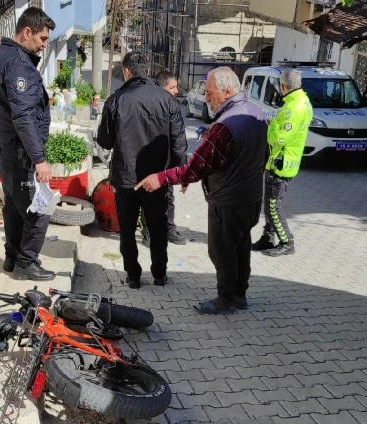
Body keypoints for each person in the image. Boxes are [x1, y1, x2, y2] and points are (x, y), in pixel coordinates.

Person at [135, 66, 266, 314]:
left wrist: (161, 178)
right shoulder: (255, 113)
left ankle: (226, 298)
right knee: (241, 245)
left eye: (210, 92)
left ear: (227, 91)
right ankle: (240, 295)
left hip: (228, 198)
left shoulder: (227, 125)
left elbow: (193, 169)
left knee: (223, 250)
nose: (206, 98)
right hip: (250, 195)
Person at [97, 52, 187, 289]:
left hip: (125, 178)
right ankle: (159, 274)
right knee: (158, 226)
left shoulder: (115, 100)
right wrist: (181, 173)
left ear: (127, 71)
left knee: (127, 229)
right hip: (157, 178)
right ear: (145, 70)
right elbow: (179, 141)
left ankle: (133, 277)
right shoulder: (167, 100)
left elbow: (104, 141)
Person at [0, 7, 56, 281]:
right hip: (20, 151)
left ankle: (12, 257)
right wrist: (39, 159)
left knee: (14, 205)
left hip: (6, 147)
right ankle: (26, 262)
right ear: (27, 32)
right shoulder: (18, 66)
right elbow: (24, 116)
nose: (45, 44)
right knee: (41, 207)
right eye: (42, 38)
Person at [251, 69, 313, 257]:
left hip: (281, 162)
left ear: (284, 86)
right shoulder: (301, 101)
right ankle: (268, 237)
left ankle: (287, 241)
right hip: (285, 160)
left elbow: (277, 138)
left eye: (279, 85)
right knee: (271, 203)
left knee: (272, 205)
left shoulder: (293, 108)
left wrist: (270, 127)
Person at [140, 70, 187, 247]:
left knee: (168, 197)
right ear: (161, 88)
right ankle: (148, 230)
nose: (176, 91)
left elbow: (179, 140)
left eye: (176, 87)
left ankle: (169, 228)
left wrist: (182, 169)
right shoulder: (149, 107)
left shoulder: (173, 107)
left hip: (167, 164)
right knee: (147, 196)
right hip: (149, 161)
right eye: (172, 87)